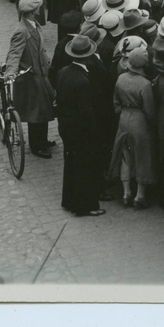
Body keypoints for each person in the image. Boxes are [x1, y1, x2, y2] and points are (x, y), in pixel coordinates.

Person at [56, 35, 106, 217]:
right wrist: (94, 133)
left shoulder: (63, 72)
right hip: (81, 130)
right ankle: (86, 206)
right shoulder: (83, 81)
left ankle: (69, 199)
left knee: (71, 164)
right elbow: (86, 112)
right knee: (84, 167)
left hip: (66, 126)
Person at [4, 0, 58, 158]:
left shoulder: (32, 26)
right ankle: (36, 146)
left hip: (40, 75)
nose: (40, 10)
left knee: (44, 110)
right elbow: (14, 55)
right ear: (34, 11)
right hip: (31, 79)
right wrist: (11, 72)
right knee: (36, 113)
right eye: (38, 8)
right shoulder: (22, 31)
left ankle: (43, 140)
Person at [110, 49, 157, 209]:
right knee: (142, 156)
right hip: (139, 120)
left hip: (124, 118)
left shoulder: (121, 78)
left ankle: (126, 192)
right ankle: (140, 196)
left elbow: (116, 102)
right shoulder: (145, 84)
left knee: (125, 156)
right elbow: (149, 109)